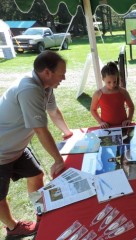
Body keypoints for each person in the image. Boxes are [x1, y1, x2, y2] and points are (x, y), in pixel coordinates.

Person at [0, 50, 73, 237]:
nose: (64, 77)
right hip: (1, 151)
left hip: (16, 148)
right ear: (47, 72)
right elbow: (41, 130)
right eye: (61, 73)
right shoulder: (30, 88)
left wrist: (68, 133)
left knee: (36, 175)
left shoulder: (47, 87)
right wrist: (58, 160)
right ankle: (12, 228)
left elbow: (54, 111)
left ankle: (41, 211)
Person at [90, 61, 134, 128]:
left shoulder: (123, 92)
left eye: (114, 81)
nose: (112, 85)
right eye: (109, 82)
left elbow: (131, 106)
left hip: (123, 126)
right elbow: (93, 109)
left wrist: (129, 119)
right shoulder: (98, 94)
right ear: (103, 79)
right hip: (107, 127)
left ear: (117, 78)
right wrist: (101, 122)